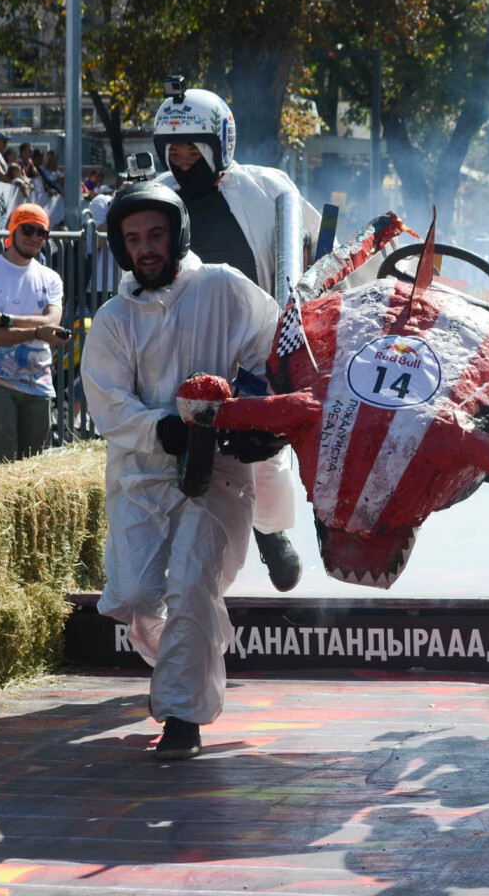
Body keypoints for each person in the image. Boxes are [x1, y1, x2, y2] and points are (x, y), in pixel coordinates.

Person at [80, 180, 280, 760]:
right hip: (140, 475)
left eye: (156, 235)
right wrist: (162, 429)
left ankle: (180, 714)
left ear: (178, 235)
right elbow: (108, 403)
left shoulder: (222, 286)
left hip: (216, 468)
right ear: (121, 247)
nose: (146, 248)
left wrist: (254, 409)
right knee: (136, 596)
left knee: (192, 582)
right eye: (134, 238)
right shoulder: (114, 319)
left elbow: (270, 351)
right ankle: (191, 656)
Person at [153, 87, 321, 591]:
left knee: (262, 450)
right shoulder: (156, 194)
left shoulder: (267, 187)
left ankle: (270, 534)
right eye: (175, 151)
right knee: (171, 446)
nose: (183, 162)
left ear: (219, 142)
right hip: (179, 337)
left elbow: (307, 246)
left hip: (253, 337)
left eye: (193, 150)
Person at [0, 203, 70, 463]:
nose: (34, 238)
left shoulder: (51, 277)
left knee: (32, 464)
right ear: (13, 229)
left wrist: (4, 319)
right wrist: (39, 331)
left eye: (41, 233)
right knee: (3, 464)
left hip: (39, 381)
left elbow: (53, 320)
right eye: (28, 230)